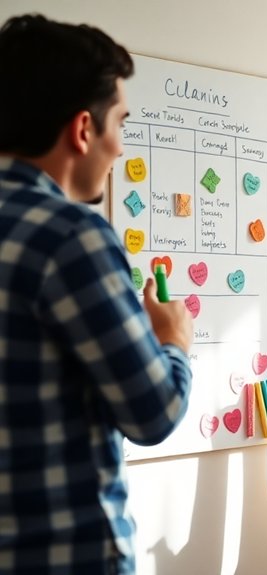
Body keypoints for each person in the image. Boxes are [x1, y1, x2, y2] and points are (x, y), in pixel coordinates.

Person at [0, 14, 193, 574]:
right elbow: (153, 413)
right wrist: (172, 340)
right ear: (84, 130)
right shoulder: (69, 235)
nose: (119, 146)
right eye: (121, 124)